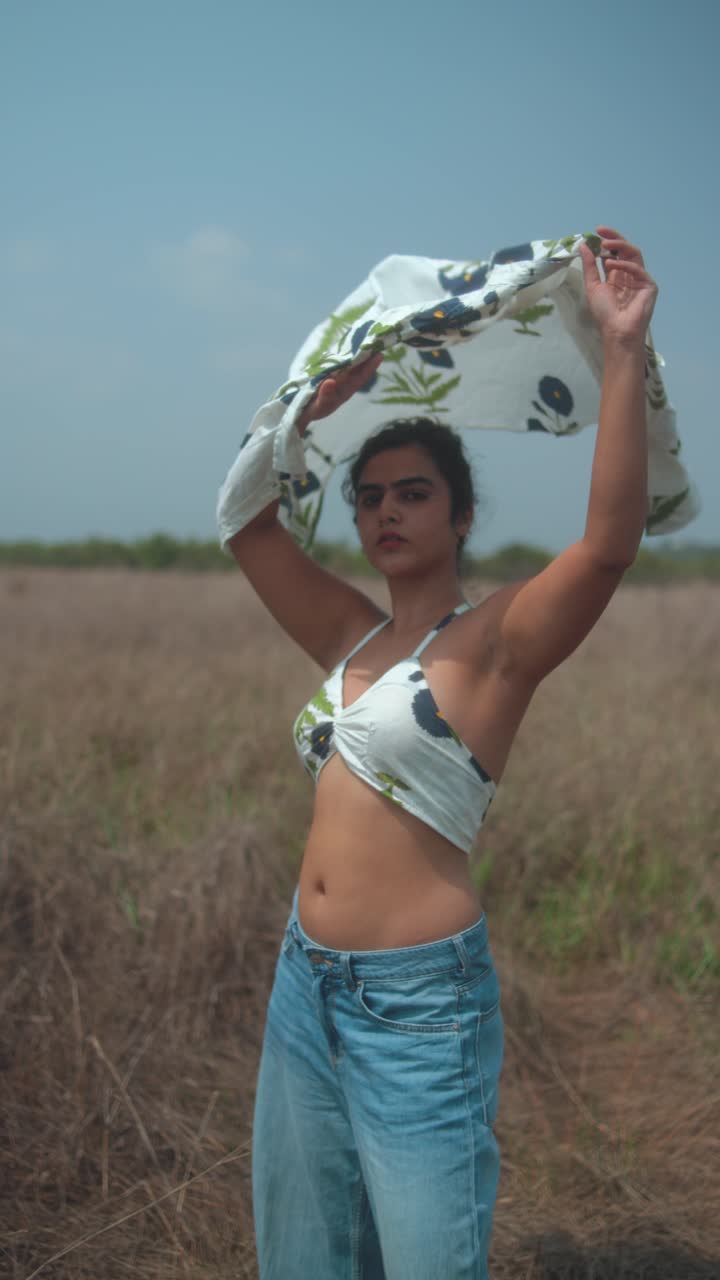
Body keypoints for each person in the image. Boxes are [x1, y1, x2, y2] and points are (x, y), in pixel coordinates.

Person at [217, 226, 657, 1279]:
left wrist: (624, 350)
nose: (383, 511)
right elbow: (243, 523)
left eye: (410, 491)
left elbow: (606, 544)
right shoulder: (350, 634)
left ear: (458, 513)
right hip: (303, 980)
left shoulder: (497, 643)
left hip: (418, 1005)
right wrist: (304, 419)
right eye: (369, 497)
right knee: (304, 1256)